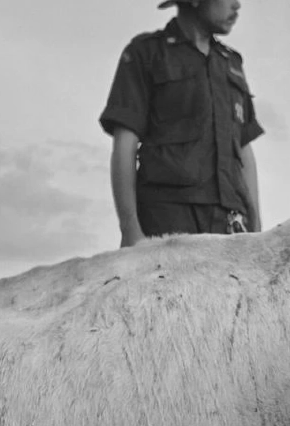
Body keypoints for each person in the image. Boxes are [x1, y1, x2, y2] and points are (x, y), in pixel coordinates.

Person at [100, 0, 263, 247]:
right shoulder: (147, 53)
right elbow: (125, 142)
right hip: (167, 220)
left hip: (231, 224)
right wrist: (130, 229)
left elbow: (244, 150)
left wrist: (257, 229)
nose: (237, 5)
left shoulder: (231, 63)